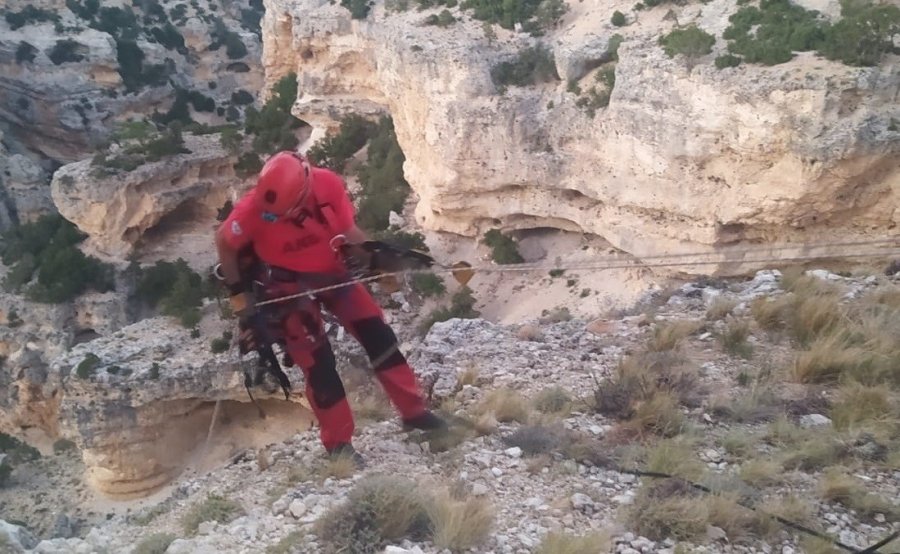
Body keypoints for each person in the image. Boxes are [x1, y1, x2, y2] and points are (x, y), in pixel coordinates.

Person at [214, 150, 447, 466]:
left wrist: (375, 261)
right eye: (271, 216)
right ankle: (338, 444)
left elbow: (348, 233)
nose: (273, 219)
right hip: (284, 286)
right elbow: (225, 244)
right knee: (318, 363)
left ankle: (414, 412)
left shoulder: (327, 186)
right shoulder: (255, 209)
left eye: (280, 215)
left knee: (379, 337)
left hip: (332, 272)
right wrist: (240, 299)